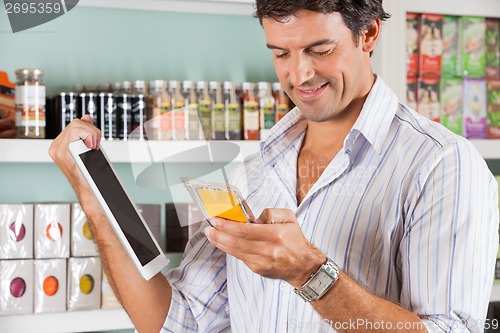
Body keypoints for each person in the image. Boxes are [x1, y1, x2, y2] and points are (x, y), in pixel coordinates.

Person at [49, 1, 499, 332]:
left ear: (369, 35)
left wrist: (310, 274)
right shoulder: (254, 168)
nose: (299, 75)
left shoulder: (441, 165)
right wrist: (92, 194)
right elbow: (177, 322)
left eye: (319, 50)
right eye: (281, 53)